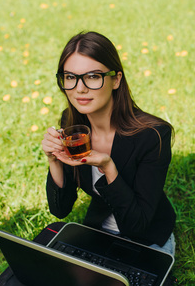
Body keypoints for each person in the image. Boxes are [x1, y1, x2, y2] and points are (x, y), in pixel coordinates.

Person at [41, 31, 176, 256]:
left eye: (93, 76)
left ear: (116, 80)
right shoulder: (72, 125)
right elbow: (60, 210)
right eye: (70, 77)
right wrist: (53, 160)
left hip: (148, 239)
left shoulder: (153, 136)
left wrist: (108, 168)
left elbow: (137, 225)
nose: (80, 88)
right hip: (99, 233)